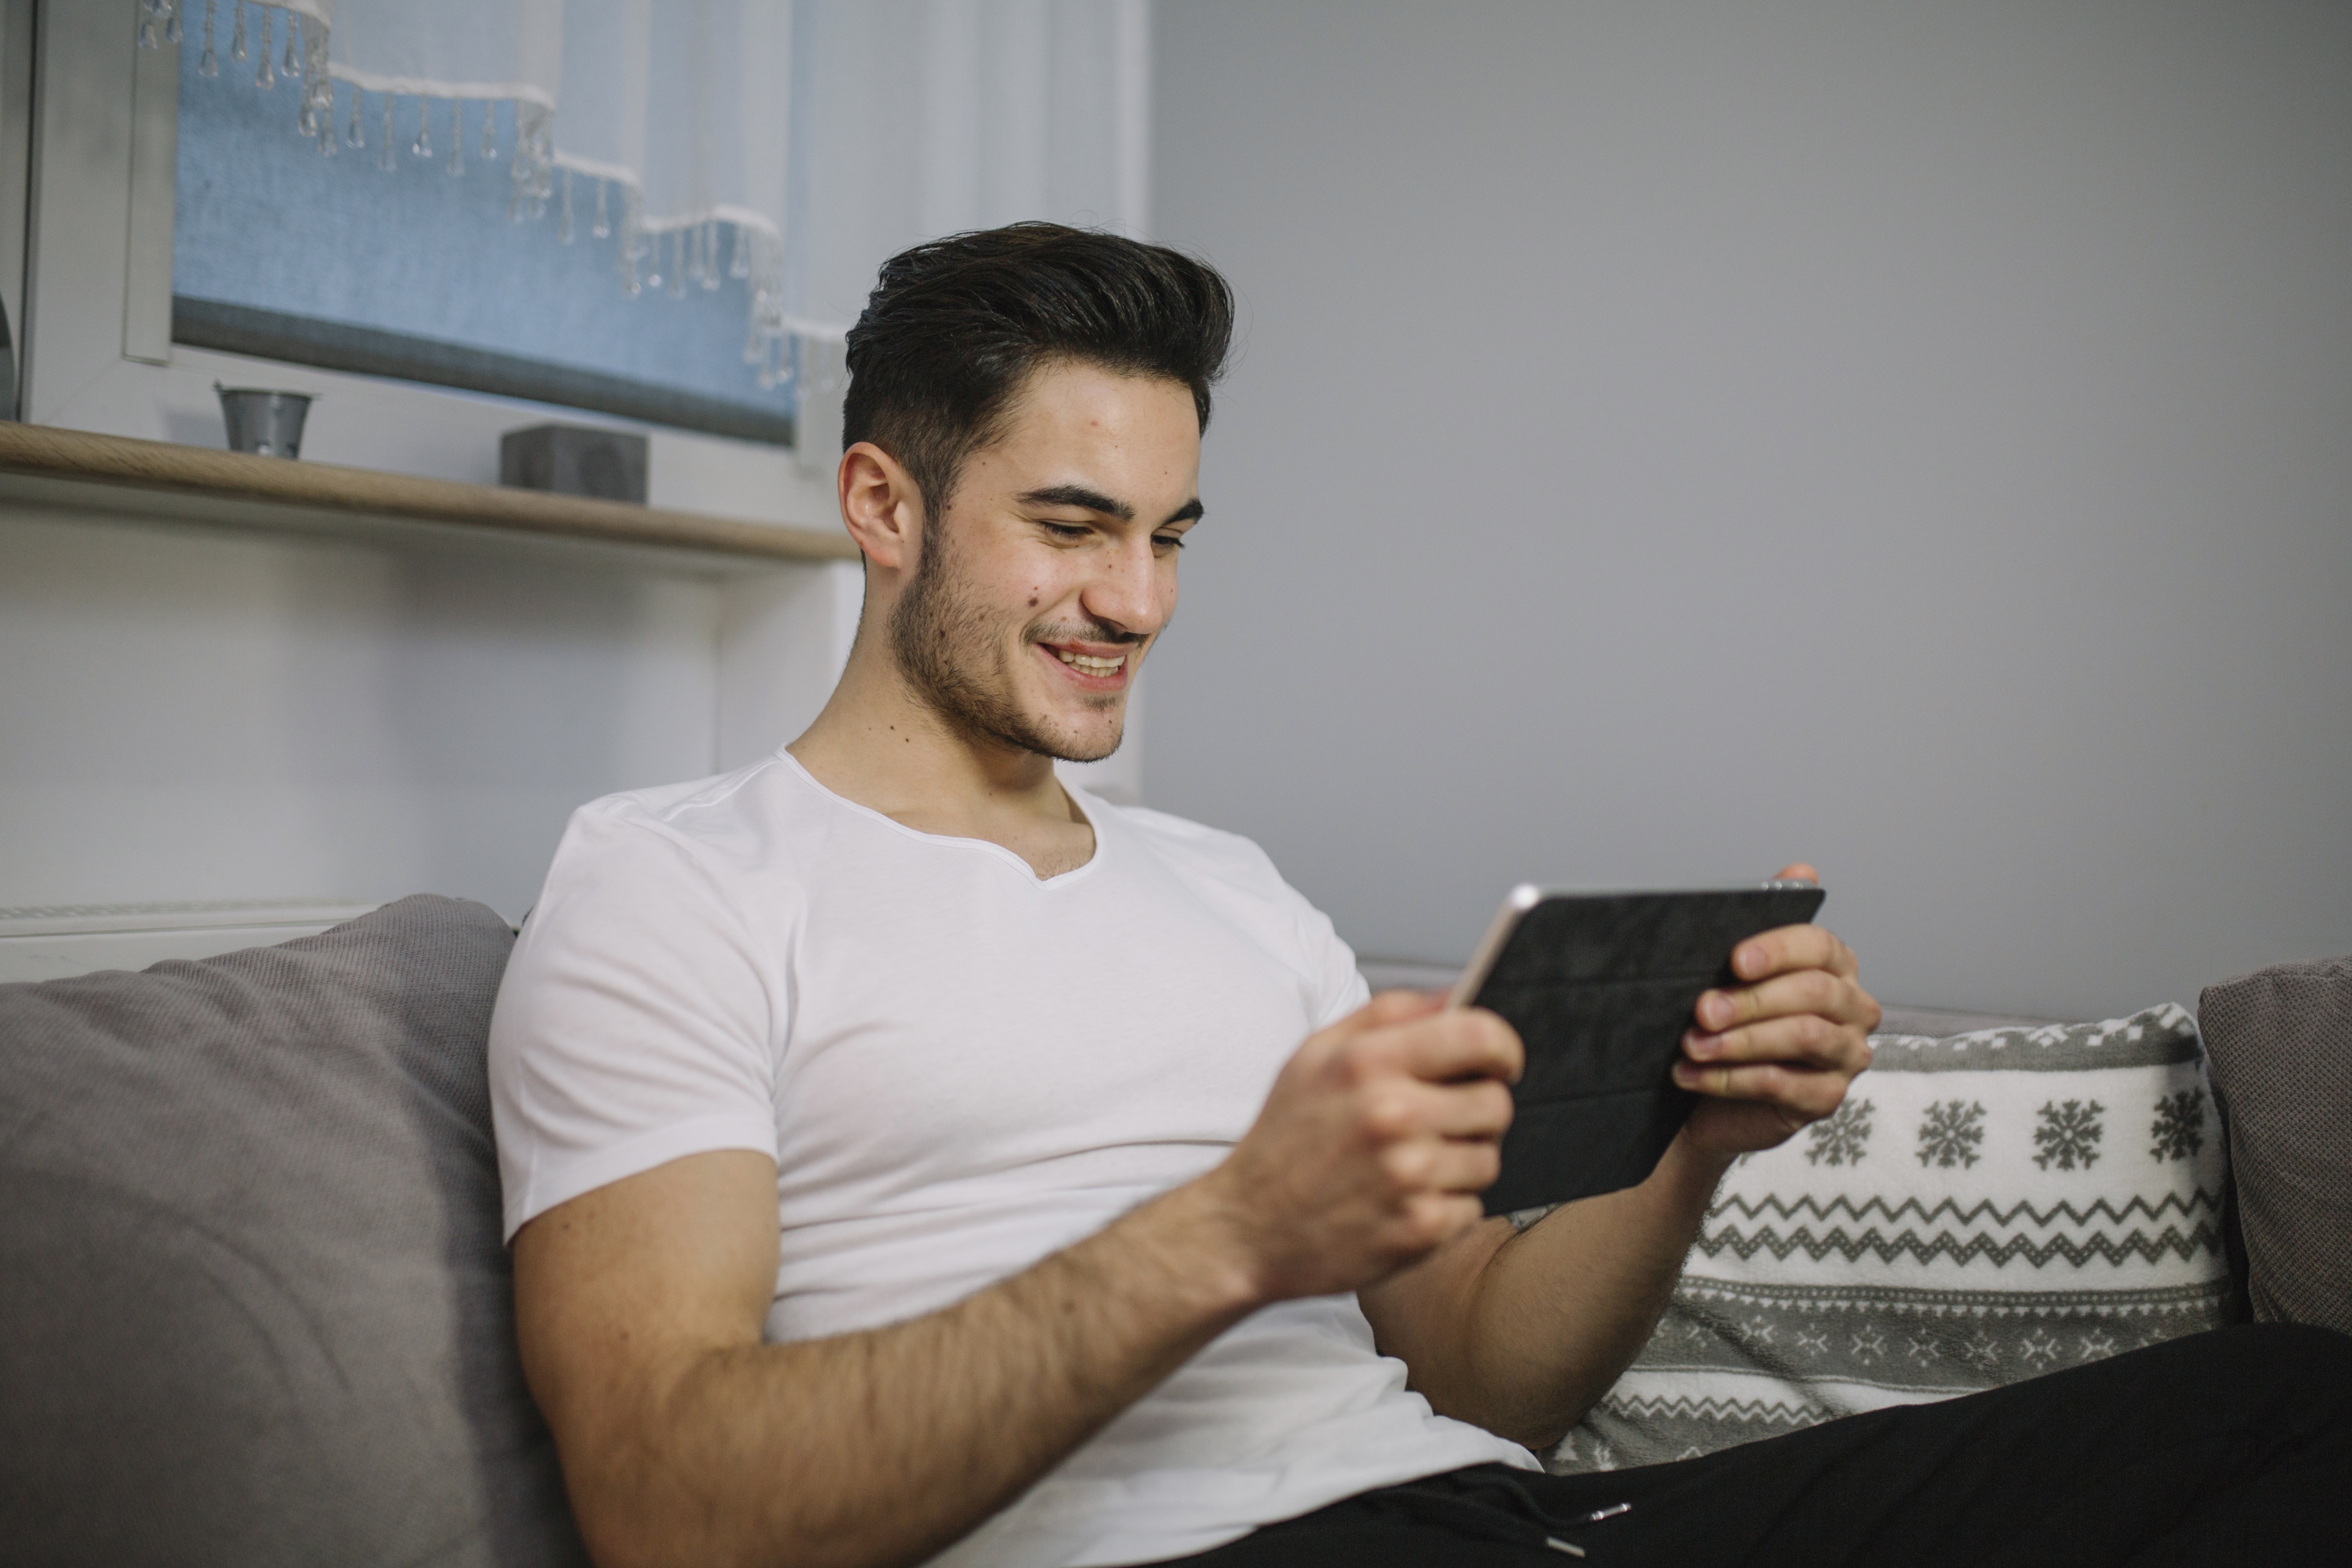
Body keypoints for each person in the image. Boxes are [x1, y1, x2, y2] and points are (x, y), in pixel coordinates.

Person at [487, 223, 2349, 1568]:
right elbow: (673, 1506)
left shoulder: (1232, 892)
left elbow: (1486, 1375)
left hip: (1508, 1515)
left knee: (2289, 1410)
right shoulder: (674, 886)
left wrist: (1689, 1149)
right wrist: (1229, 1228)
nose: (1136, 602)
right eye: (1070, 526)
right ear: (884, 507)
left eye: (1169, 536)